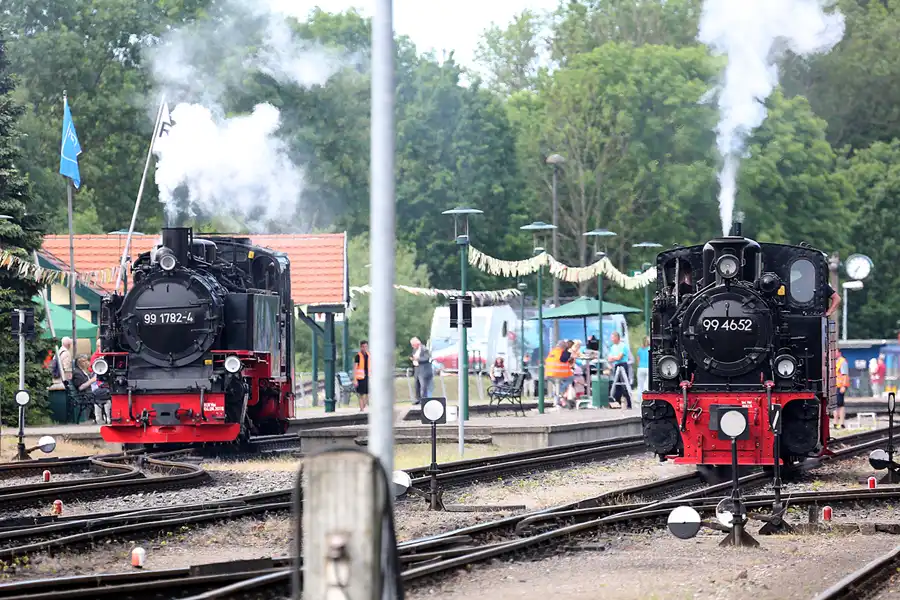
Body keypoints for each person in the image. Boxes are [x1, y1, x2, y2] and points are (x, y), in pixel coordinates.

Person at [545, 340, 575, 407]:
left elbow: (560, 360)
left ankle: (557, 401)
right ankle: (561, 395)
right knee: (571, 378)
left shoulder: (553, 351)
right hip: (558, 373)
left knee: (557, 387)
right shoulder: (563, 352)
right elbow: (564, 360)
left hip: (549, 374)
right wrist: (568, 351)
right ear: (564, 347)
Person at [607, 332, 632, 409]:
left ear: (617, 338)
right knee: (616, 385)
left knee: (624, 385)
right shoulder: (612, 347)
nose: (612, 339)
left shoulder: (623, 346)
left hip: (623, 365)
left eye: (613, 338)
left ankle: (629, 403)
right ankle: (617, 402)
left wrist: (613, 358)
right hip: (616, 365)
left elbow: (619, 357)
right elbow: (609, 358)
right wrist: (614, 358)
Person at [410, 337, 433, 402]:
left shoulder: (424, 349)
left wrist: (418, 359)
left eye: (413, 344)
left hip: (424, 370)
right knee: (417, 386)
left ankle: (424, 400)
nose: (412, 346)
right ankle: (417, 399)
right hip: (417, 370)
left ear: (417, 344)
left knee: (423, 386)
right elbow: (413, 356)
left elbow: (426, 358)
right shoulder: (414, 350)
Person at [834, 350, 849, 429]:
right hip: (834, 386)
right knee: (835, 404)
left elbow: (845, 375)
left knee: (840, 404)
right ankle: (835, 422)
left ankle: (841, 422)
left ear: (839, 353)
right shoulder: (834, 361)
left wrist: (844, 386)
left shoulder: (842, 361)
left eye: (835, 352)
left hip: (840, 386)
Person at [353, 340, 370, 411]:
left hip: (367, 376)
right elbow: (355, 368)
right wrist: (355, 379)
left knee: (368, 393)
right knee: (361, 394)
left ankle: (363, 406)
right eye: (363, 347)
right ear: (361, 347)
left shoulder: (369, 355)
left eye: (366, 346)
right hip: (360, 377)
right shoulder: (358, 356)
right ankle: (361, 409)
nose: (364, 348)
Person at [636, 336, 650, 402]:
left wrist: (639, 365)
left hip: (640, 368)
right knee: (647, 384)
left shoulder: (640, 349)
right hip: (648, 368)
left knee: (640, 385)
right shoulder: (650, 349)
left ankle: (639, 399)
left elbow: (638, 360)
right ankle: (646, 398)